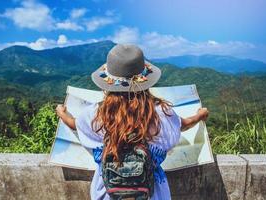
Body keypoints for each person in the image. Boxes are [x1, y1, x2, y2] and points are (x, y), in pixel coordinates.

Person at [56, 44, 209, 200]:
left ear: (108, 83)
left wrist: (62, 113)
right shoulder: (162, 115)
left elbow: (75, 124)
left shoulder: (93, 115)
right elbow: (183, 124)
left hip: (108, 192)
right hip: (150, 193)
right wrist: (200, 115)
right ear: (145, 80)